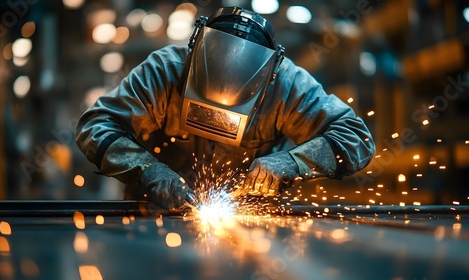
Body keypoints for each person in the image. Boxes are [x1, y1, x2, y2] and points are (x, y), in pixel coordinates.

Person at [75, 6, 375, 210]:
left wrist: (292, 162)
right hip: (155, 214)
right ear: (193, 59)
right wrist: (149, 170)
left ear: (266, 81)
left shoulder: (287, 85)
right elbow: (95, 127)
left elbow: (356, 140)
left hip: (253, 220)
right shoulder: (165, 71)